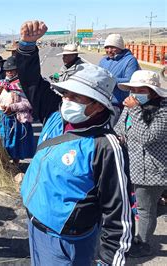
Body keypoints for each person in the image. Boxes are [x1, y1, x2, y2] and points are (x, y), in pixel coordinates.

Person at [16, 20, 134, 266]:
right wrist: (27, 46)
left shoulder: (105, 145)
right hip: (35, 225)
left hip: (66, 241)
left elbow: (119, 214)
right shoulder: (55, 113)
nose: (67, 100)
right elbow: (32, 83)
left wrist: (109, 261)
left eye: (76, 96)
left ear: (98, 104)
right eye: (66, 93)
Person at [114, 70, 167, 258]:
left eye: (139, 89)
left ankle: (143, 244)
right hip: (132, 166)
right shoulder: (130, 108)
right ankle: (136, 237)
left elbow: (148, 137)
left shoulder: (163, 111)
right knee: (135, 207)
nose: (134, 93)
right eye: (132, 89)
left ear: (152, 92)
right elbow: (120, 128)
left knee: (145, 210)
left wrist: (135, 109)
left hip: (152, 171)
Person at [0, 56, 35, 164]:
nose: (9, 72)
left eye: (12, 70)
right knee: (4, 144)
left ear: (17, 70)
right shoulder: (2, 85)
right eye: (7, 70)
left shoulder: (22, 85)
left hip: (15, 120)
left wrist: (12, 107)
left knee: (15, 144)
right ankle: (5, 166)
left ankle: (16, 166)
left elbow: (29, 104)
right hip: (2, 118)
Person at [99, 33, 140, 124]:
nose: (109, 50)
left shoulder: (130, 60)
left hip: (117, 104)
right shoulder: (104, 60)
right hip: (101, 102)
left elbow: (130, 81)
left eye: (113, 47)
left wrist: (110, 80)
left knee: (113, 131)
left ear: (120, 47)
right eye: (107, 47)